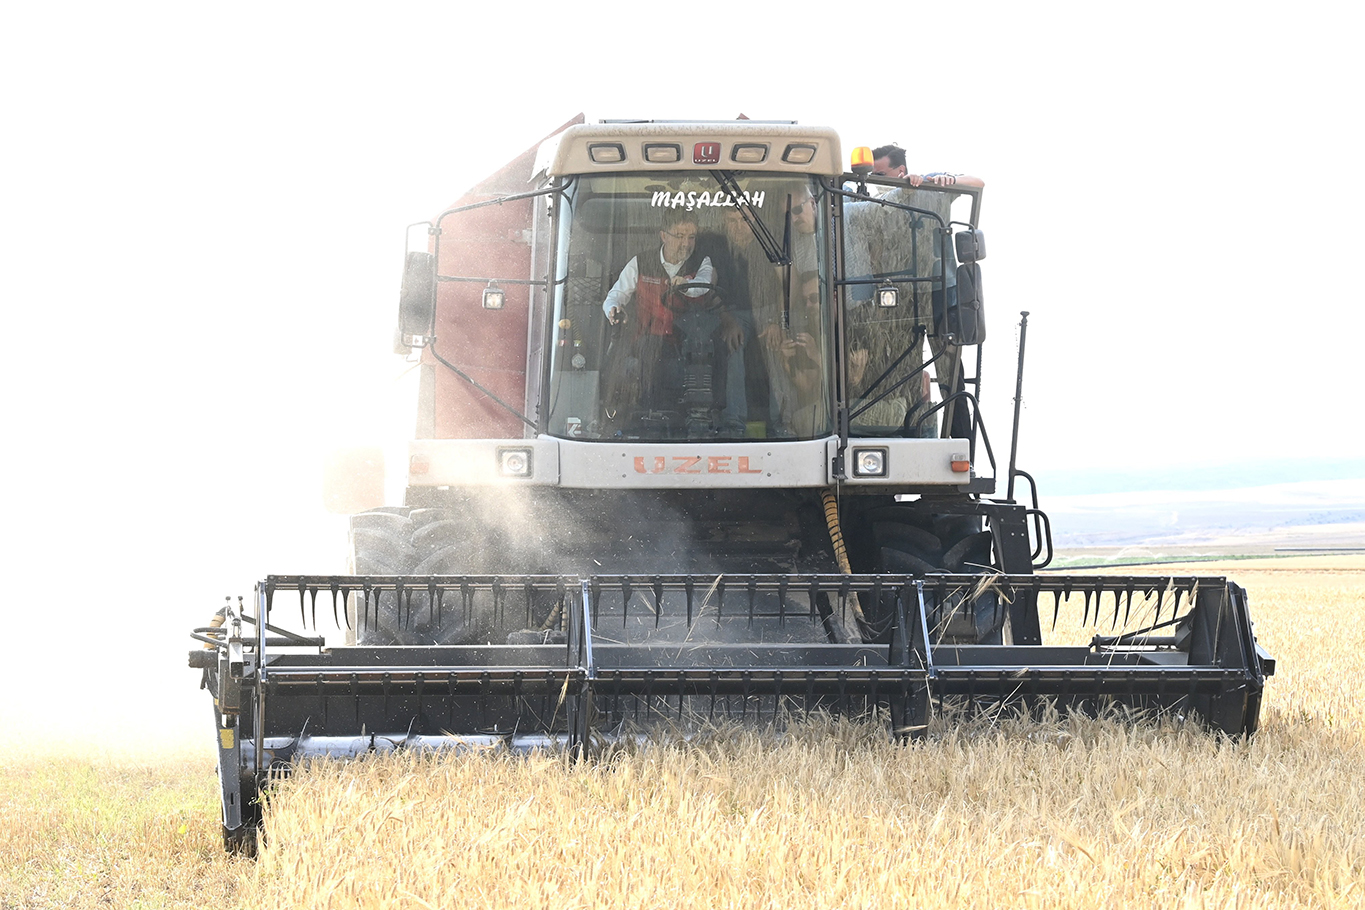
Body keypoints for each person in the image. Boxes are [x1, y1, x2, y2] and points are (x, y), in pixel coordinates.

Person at [599, 208, 716, 425]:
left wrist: (687, 286)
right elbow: (615, 296)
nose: (686, 243)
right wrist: (614, 309)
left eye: (691, 237)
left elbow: (704, 286)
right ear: (663, 235)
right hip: (648, 340)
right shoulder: (641, 262)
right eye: (679, 236)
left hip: (687, 341)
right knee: (648, 351)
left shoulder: (702, 262)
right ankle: (641, 417)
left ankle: (700, 419)